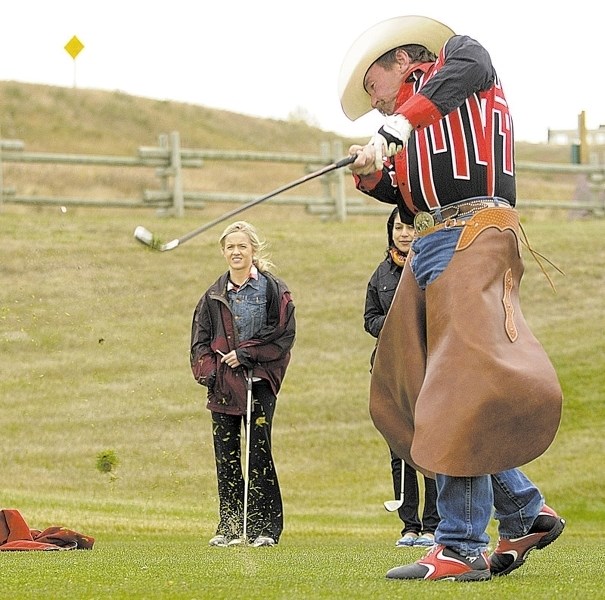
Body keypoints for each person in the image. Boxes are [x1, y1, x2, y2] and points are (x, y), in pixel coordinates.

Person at [339, 15, 565, 581]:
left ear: (399, 61)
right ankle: (524, 509)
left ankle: (461, 544)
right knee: (417, 385)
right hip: (435, 239)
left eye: (374, 88)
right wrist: (373, 175)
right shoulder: (413, 127)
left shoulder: (458, 60)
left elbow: (473, 65)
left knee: (456, 388)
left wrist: (393, 131)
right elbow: (415, 195)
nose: (377, 104)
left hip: (475, 232)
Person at [190, 221, 296, 548]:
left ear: (253, 250)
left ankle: (265, 527)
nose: (236, 252)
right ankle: (231, 526)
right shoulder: (213, 295)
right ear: (224, 252)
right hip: (223, 387)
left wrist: (246, 355)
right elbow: (200, 344)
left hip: (259, 383)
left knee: (259, 453)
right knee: (227, 457)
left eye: (242, 246)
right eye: (230, 247)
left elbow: (282, 336)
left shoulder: (272, 290)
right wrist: (214, 373)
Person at [364, 207, 439, 548]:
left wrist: (411, 329)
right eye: (398, 227)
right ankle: (409, 525)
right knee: (399, 447)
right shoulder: (381, 273)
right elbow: (370, 319)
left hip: (428, 369)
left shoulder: (430, 269)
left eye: (409, 227)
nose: (404, 233)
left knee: (431, 446)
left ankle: (433, 525)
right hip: (390, 370)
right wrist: (393, 326)